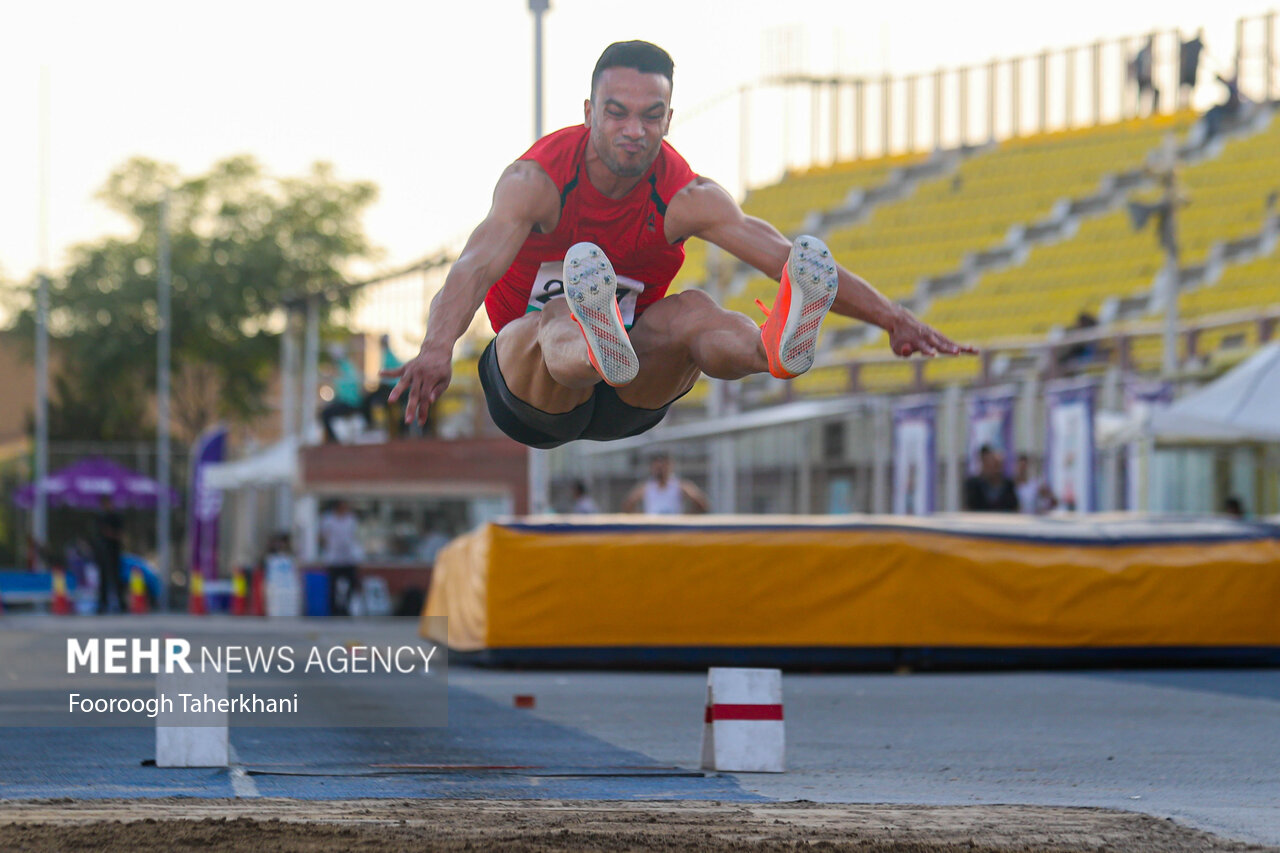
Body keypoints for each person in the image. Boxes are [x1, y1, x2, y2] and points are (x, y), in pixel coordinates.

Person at [384, 41, 973, 450]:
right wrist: (438, 346)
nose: (634, 130)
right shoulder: (537, 184)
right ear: (589, 113)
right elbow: (474, 265)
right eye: (616, 114)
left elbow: (786, 260)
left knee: (695, 312)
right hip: (534, 394)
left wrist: (892, 318)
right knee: (559, 314)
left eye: (650, 115)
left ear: (668, 119)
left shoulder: (686, 196)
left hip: (633, 384)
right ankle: (593, 338)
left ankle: (774, 347)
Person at [622, 453, 709, 515]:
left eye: (663, 467)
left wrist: (688, 517)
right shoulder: (646, 487)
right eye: (657, 467)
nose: (660, 470)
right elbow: (628, 505)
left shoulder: (680, 485)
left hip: (674, 529)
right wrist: (642, 519)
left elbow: (701, 503)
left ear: (669, 466)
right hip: (653, 529)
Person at [319, 499, 362, 616]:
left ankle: (346, 608)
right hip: (333, 558)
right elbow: (323, 537)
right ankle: (334, 610)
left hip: (349, 558)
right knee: (332, 586)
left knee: (351, 584)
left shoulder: (351, 520)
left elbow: (355, 537)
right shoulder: (328, 520)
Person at [362, 335, 408, 436]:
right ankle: (376, 425)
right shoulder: (387, 355)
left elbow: (390, 376)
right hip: (389, 388)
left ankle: (372, 425)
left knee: (370, 401)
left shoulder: (389, 356)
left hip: (389, 388)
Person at [320, 344, 366, 444]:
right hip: (347, 401)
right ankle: (331, 439)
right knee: (325, 412)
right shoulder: (344, 366)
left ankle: (332, 440)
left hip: (350, 403)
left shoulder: (345, 368)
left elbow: (349, 392)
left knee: (325, 414)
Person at [92, 495, 127, 614]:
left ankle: (121, 604)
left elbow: (119, 534)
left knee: (116, 578)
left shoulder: (116, 517)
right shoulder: (100, 518)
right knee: (103, 579)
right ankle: (103, 604)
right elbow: (101, 533)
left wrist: (111, 534)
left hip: (114, 551)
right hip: (103, 552)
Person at [964, 445, 1019, 513]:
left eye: (998, 465)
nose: (996, 470)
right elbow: (969, 508)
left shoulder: (1008, 485)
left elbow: (1014, 508)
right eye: (993, 465)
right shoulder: (974, 484)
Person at [1178, 30, 1205, 108]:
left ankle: (1187, 105)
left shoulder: (1196, 44)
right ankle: (1184, 105)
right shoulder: (1195, 43)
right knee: (1185, 88)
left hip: (1191, 70)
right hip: (1188, 70)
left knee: (1188, 89)